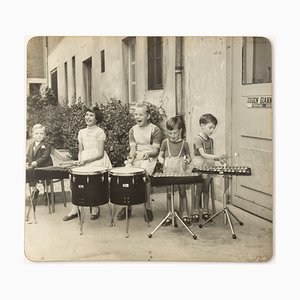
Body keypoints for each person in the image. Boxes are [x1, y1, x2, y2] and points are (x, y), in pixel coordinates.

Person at [63, 106, 112, 221]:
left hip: (97, 161)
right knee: (74, 181)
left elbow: (100, 153)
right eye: (86, 114)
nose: (88, 117)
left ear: (97, 119)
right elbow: (81, 150)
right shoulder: (81, 132)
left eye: (91, 115)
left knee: (92, 184)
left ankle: (95, 208)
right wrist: (80, 160)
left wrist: (86, 161)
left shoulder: (100, 132)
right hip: (84, 160)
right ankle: (75, 209)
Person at [117, 103, 162, 222]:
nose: (137, 117)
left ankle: (147, 207)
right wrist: (131, 157)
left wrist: (148, 154)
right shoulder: (132, 130)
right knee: (127, 175)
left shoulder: (155, 129)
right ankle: (127, 206)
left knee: (143, 175)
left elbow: (155, 150)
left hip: (149, 157)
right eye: (136, 114)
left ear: (148, 116)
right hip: (137, 156)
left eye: (140, 114)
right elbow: (133, 149)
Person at [157, 116, 192, 226]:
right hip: (168, 172)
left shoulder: (184, 144)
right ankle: (170, 214)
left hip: (180, 172)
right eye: (170, 133)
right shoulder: (165, 143)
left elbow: (189, 157)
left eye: (175, 133)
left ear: (180, 131)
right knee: (169, 193)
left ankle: (185, 215)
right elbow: (160, 156)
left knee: (182, 192)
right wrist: (162, 161)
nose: (172, 136)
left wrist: (187, 160)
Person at [192, 113, 226, 222]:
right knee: (199, 189)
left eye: (214, 128)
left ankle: (206, 211)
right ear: (202, 126)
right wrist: (217, 157)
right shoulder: (198, 139)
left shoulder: (211, 140)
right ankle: (196, 211)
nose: (212, 130)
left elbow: (210, 155)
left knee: (206, 190)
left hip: (209, 166)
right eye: (210, 127)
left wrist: (219, 159)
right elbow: (203, 155)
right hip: (200, 166)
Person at [26, 124, 53, 202]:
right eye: (37, 134)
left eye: (41, 134)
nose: (39, 136)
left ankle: (47, 192)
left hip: (45, 166)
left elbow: (45, 157)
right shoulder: (31, 145)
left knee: (45, 176)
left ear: (44, 135)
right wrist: (27, 161)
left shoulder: (46, 145)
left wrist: (36, 162)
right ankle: (34, 189)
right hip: (35, 167)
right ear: (33, 135)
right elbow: (28, 155)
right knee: (29, 171)